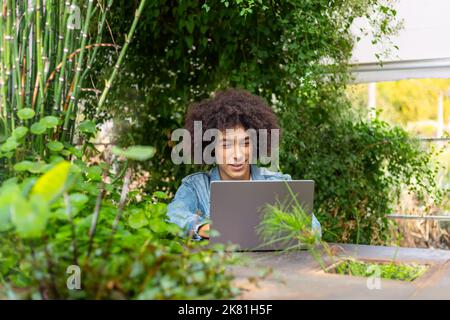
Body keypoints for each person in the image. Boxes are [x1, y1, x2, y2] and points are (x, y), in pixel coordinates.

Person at [167, 88, 321, 240]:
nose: (238, 155)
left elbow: (313, 227)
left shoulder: (277, 183)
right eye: (226, 145)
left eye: (245, 143)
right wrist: (206, 229)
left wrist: (294, 231)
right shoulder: (197, 187)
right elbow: (172, 215)